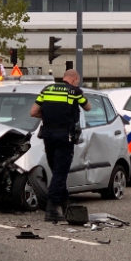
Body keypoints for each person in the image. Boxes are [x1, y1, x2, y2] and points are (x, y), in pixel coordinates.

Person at [30, 69, 91, 222]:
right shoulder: (74, 91)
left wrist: (49, 116)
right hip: (65, 136)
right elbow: (88, 107)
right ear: (75, 79)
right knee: (60, 173)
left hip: (48, 135)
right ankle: (51, 209)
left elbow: (33, 112)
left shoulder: (47, 89)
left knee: (56, 171)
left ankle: (66, 206)